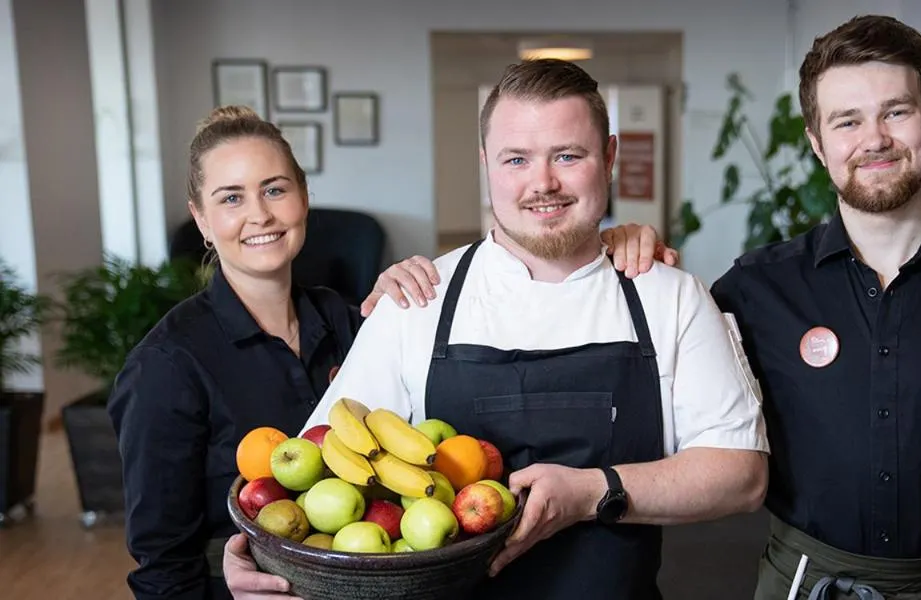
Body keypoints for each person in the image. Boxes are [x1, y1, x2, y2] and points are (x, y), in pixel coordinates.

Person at [224, 58, 770, 600]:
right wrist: (260, 551)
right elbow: (317, 469)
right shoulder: (416, 300)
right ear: (486, 163)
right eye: (517, 159)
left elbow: (740, 474)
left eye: (568, 155)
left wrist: (589, 492)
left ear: (608, 158)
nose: (543, 183)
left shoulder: (670, 297)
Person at [601, 14, 921, 600]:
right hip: (801, 580)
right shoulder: (755, 289)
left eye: (896, 112)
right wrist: (625, 250)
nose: (874, 138)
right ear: (817, 142)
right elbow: (665, 400)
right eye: (847, 120)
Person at [106, 106, 432, 600]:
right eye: (231, 198)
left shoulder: (351, 321)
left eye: (275, 189)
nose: (259, 214)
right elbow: (162, 565)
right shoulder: (165, 367)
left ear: (304, 198)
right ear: (202, 219)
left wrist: (406, 306)